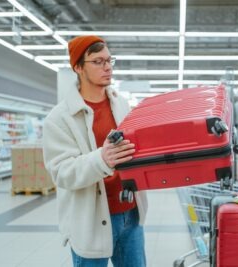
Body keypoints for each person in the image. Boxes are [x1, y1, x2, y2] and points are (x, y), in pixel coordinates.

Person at [42, 35, 148, 267]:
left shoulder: (121, 104)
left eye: (110, 60)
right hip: (90, 220)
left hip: (130, 213)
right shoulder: (59, 119)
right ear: (78, 67)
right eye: (98, 61)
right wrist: (102, 158)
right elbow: (61, 172)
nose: (108, 67)